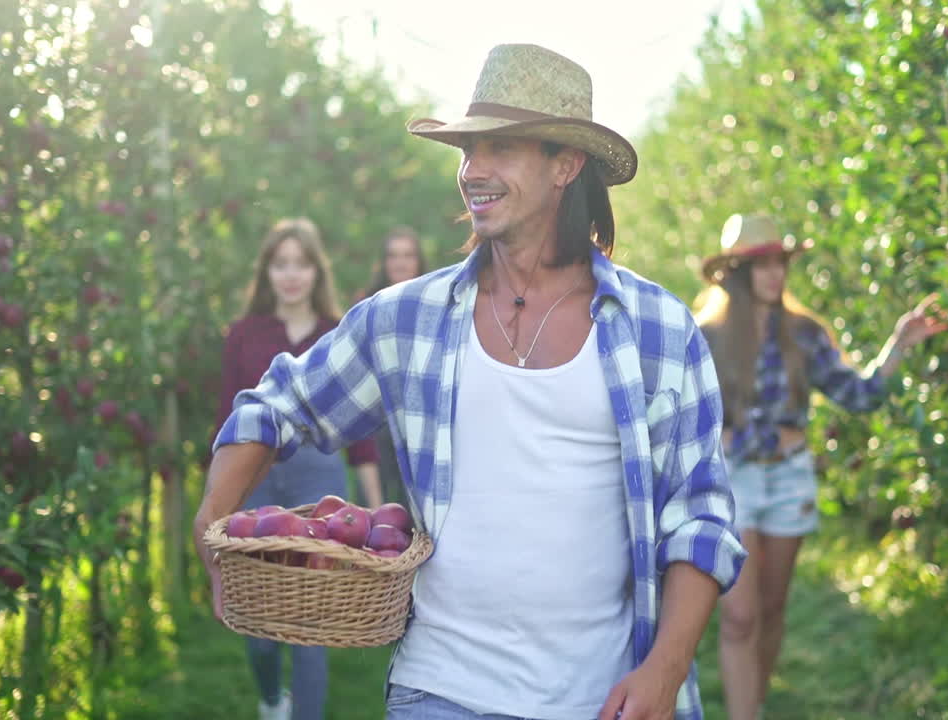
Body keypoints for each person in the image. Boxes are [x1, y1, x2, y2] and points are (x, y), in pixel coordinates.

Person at [196, 44, 746, 720]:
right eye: (466, 151)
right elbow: (273, 406)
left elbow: (699, 519)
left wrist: (665, 670)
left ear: (565, 166)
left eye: (500, 149)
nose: (472, 172)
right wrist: (211, 524)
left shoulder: (658, 329)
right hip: (441, 690)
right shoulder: (406, 321)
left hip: (600, 698)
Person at [693, 214, 947, 720]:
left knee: (771, 609)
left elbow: (857, 393)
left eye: (780, 264)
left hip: (788, 476)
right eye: (762, 265)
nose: (775, 275)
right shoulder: (706, 334)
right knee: (739, 616)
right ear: (737, 273)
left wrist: (898, 346)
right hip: (733, 480)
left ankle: (755, 704)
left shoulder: (804, 333)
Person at [212, 217, 383, 720]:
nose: (291, 275)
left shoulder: (339, 333)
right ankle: (271, 700)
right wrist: (217, 504)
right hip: (258, 477)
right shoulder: (243, 335)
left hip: (321, 480)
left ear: (316, 271)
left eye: (301, 264)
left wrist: (374, 508)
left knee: (312, 621)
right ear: (267, 272)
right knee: (259, 620)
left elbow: (362, 430)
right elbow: (226, 423)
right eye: (281, 264)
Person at [357, 226, 428, 506]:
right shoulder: (366, 305)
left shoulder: (433, 302)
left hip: (419, 417)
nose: (400, 262)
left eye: (408, 255)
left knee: (418, 508)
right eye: (393, 255)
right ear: (384, 262)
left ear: (418, 261)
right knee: (376, 505)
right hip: (376, 420)